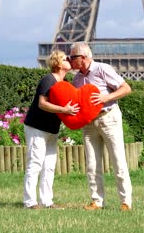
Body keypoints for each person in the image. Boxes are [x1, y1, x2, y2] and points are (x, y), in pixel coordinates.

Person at [68, 41, 133, 211]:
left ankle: (126, 201)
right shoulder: (76, 78)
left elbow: (126, 88)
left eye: (72, 57)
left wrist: (106, 98)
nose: (69, 60)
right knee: (92, 164)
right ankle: (97, 201)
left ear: (83, 57)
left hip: (108, 118)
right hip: (89, 123)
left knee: (118, 160)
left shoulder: (102, 69)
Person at [23, 50, 80, 209]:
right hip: (37, 127)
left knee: (49, 165)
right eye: (65, 58)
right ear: (58, 63)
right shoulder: (49, 80)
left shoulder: (65, 83)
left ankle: (47, 201)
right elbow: (42, 103)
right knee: (35, 163)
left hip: (51, 129)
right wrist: (64, 111)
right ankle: (30, 202)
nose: (69, 59)